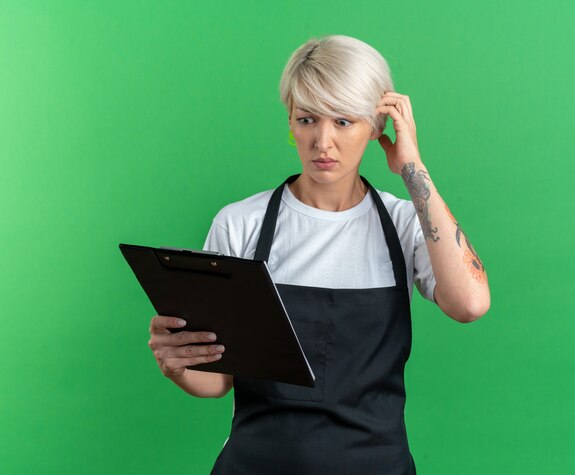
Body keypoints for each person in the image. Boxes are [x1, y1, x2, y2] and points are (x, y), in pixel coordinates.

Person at [148, 34, 490, 474]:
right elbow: (217, 381)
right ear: (290, 123)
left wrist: (412, 168)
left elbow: (470, 303)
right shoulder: (239, 225)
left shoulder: (405, 224)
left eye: (344, 121)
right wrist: (176, 363)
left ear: (377, 126)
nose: (322, 141)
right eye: (307, 119)